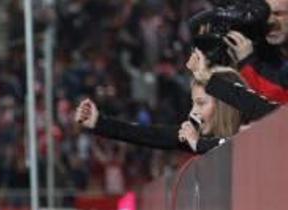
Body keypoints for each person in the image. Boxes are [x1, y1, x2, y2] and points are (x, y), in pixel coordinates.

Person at [75, 67, 248, 154]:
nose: (193, 112)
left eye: (201, 103)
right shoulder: (197, 136)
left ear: (225, 104)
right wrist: (99, 122)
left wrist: (198, 144)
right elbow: (147, 134)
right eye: (193, 104)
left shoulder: (254, 136)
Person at [224, 0, 288, 103]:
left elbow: (278, 106)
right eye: (262, 13)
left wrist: (247, 64)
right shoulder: (259, 50)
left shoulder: (250, 57)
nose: (269, 21)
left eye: (278, 14)